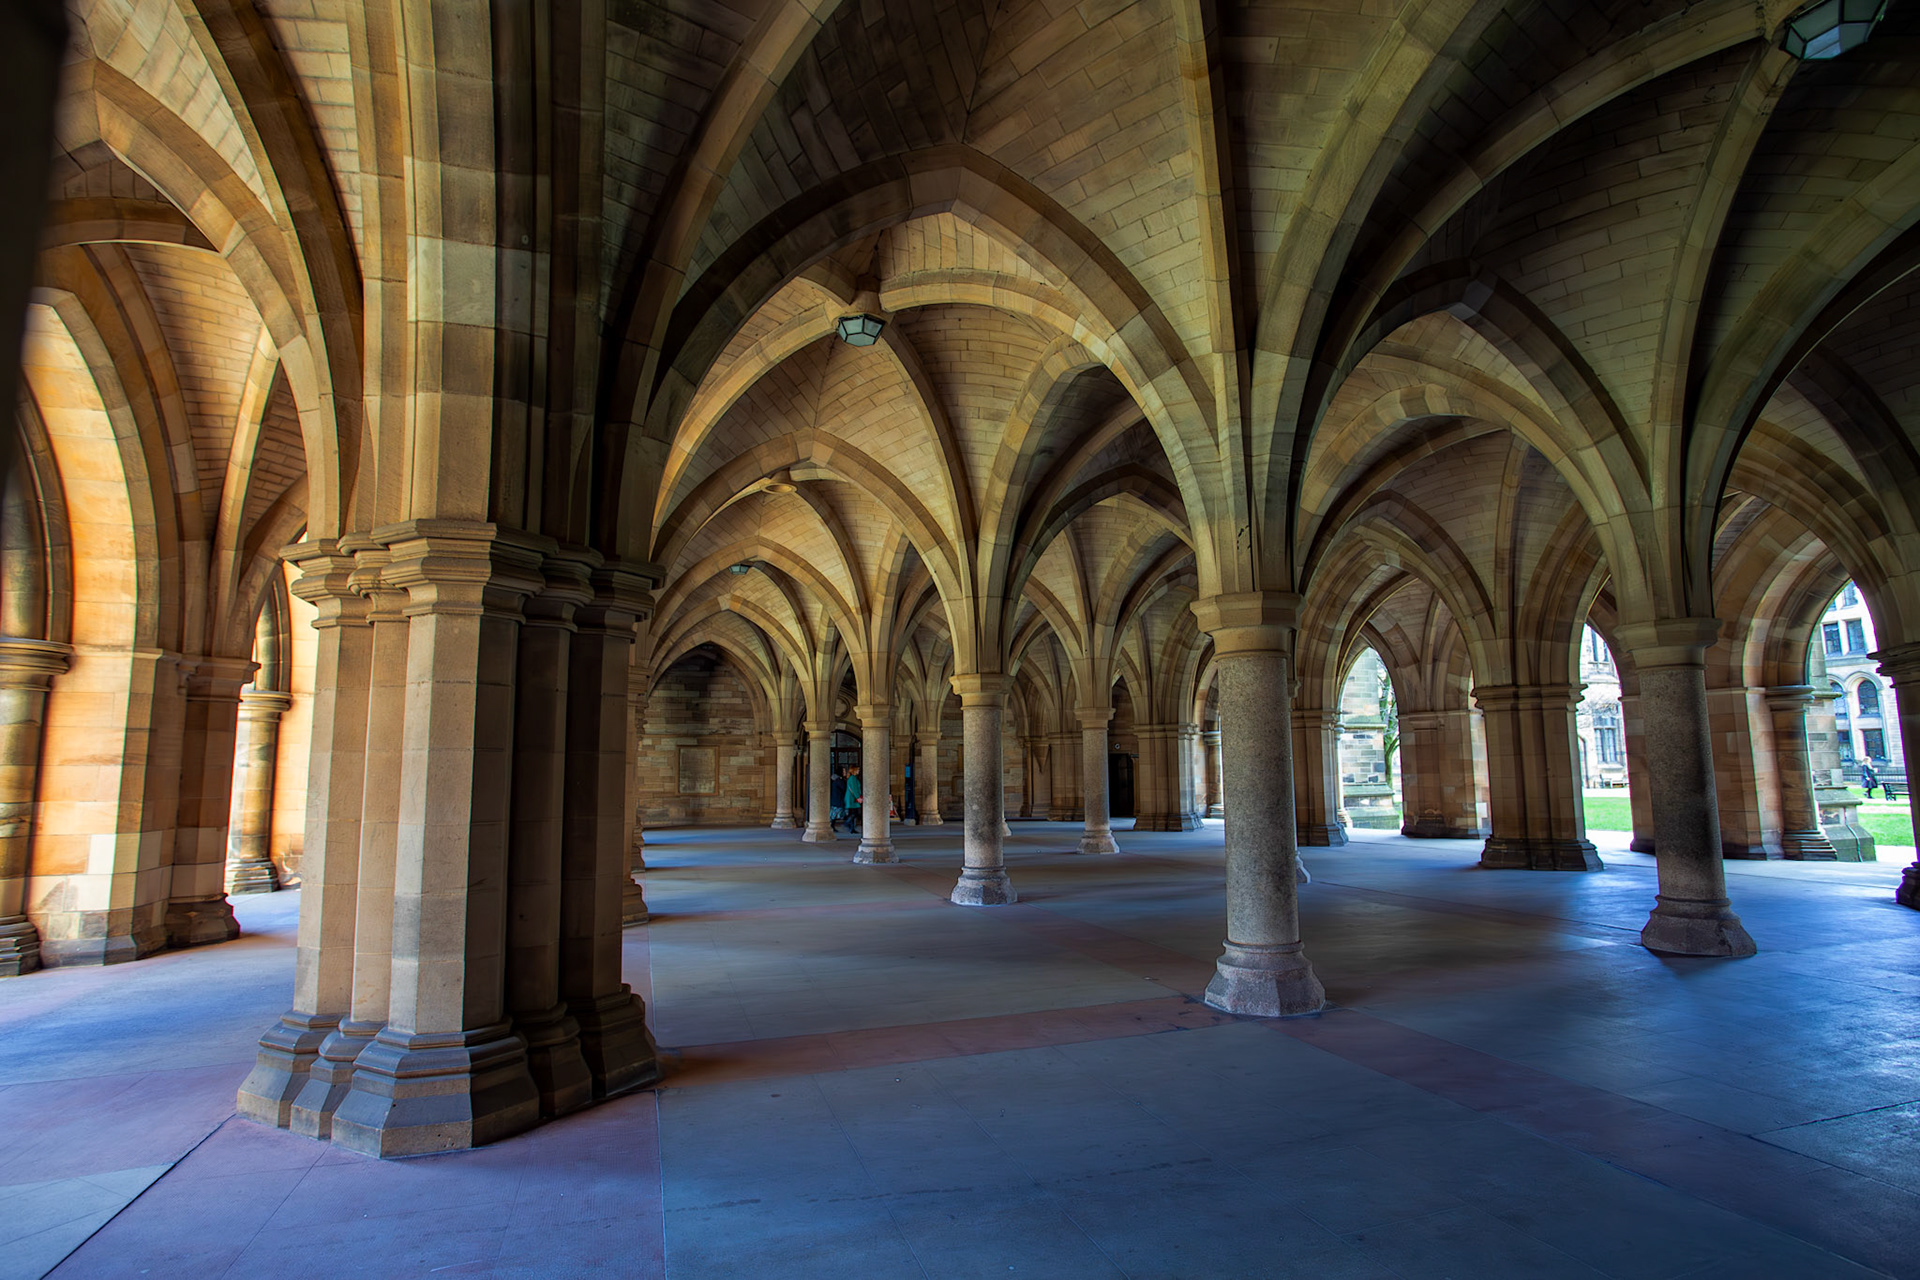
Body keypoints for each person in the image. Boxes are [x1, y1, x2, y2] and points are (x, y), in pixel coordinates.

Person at [844, 765, 863, 833]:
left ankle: (852, 828)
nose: (858, 771)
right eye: (857, 769)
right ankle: (847, 823)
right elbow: (854, 789)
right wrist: (858, 797)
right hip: (852, 799)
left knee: (853, 813)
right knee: (855, 813)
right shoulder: (853, 778)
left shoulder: (852, 778)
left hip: (852, 798)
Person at [829, 768, 847, 832]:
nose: (845, 772)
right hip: (838, 798)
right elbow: (844, 788)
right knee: (835, 813)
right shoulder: (839, 780)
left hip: (834, 798)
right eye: (844, 771)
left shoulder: (834, 779)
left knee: (834, 814)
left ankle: (832, 826)